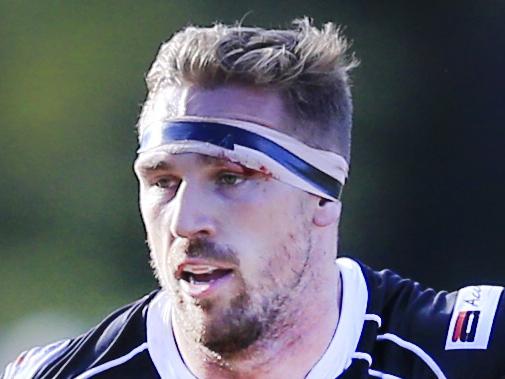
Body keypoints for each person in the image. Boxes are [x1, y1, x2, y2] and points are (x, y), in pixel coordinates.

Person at [3, 18, 504, 379]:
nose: (185, 220)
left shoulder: (473, 354)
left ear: (324, 196)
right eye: (164, 182)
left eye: (230, 177)